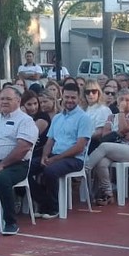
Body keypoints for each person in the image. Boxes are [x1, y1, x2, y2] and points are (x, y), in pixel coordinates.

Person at [0, 85, 39, 235]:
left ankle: (10, 222)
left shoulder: (25, 121)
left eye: (8, 99)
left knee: (1, 179)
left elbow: (23, 148)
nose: (3, 102)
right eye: (1, 99)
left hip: (15, 165)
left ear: (18, 100)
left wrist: (2, 165)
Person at [35, 83, 92, 218]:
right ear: (62, 97)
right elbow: (50, 141)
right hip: (55, 156)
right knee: (27, 167)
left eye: (73, 97)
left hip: (75, 159)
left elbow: (79, 147)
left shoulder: (84, 118)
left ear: (79, 99)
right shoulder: (57, 118)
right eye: (67, 97)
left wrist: (55, 159)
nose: (70, 100)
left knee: (50, 170)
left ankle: (53, 208)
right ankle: (44, 201)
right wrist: (44, 156)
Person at [86, 89, 129, 205]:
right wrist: (121, 135)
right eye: (121, 99)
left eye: (127, 100)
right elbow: (105, 135)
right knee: (102, 163)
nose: (124, 102)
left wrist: (121, 113)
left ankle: (85, 169)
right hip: (115, 148)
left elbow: (123, 128)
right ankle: (108, 193)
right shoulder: (111, 117)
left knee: (104, 147)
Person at [83, 80, 113, 147]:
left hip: (96, 144)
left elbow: (99, 132)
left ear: (98, 93)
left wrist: (83, 138)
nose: (91, 94)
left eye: (94, 91)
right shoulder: (85, 109)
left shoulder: (103, 109)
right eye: (87, 92)